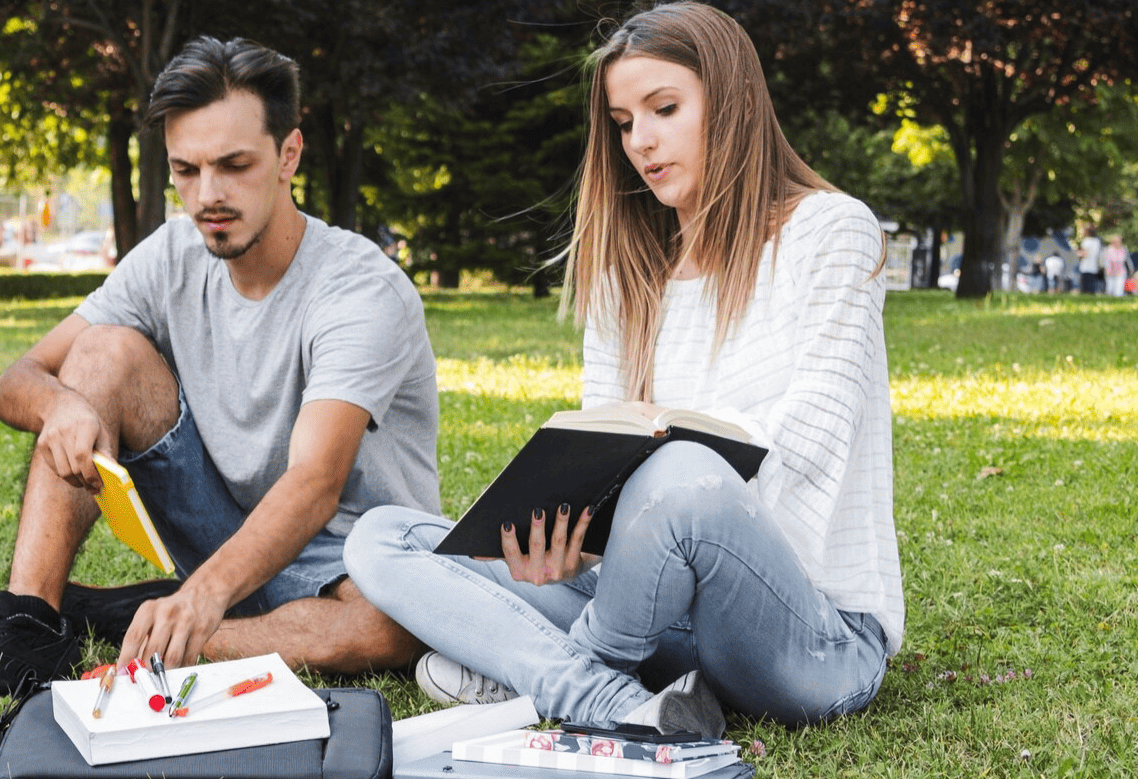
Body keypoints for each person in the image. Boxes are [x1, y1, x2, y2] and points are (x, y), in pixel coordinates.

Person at [345, 1, 902, 737]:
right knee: (381, 539)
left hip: (813, 638)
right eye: (623, 121)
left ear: (731, 102)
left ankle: (555, 674)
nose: (641, 141)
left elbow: (809, 457)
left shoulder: (833, 232)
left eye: (664, 108)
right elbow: (603, 472)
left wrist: (666, 480)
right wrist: (570, 541)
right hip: (658, 625)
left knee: (680, 475)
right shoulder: (626, 276)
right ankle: (607, 698)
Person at [0, 36, 439, 703]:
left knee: (389, 631)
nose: (207, 195)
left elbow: (315, 484)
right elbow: (17, 380)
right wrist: (62, 404)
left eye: (233, 165)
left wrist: (202, 599)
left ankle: (153, 623)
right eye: (186, 170)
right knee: (102, 351)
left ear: (290, 155)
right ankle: (27, 623)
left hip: (348, 555)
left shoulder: (360, 290)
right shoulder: (170, 255)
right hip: (218, 520)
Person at [1076, 227, 1104, 295]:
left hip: (1085, 266)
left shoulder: (1086, 241)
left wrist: (1078, 252)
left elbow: (1083, 254)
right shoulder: (1098, 241)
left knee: (1085, 284)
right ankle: (1091, 294)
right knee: (1092, 284)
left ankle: (1085, 294)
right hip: (1094, 266)